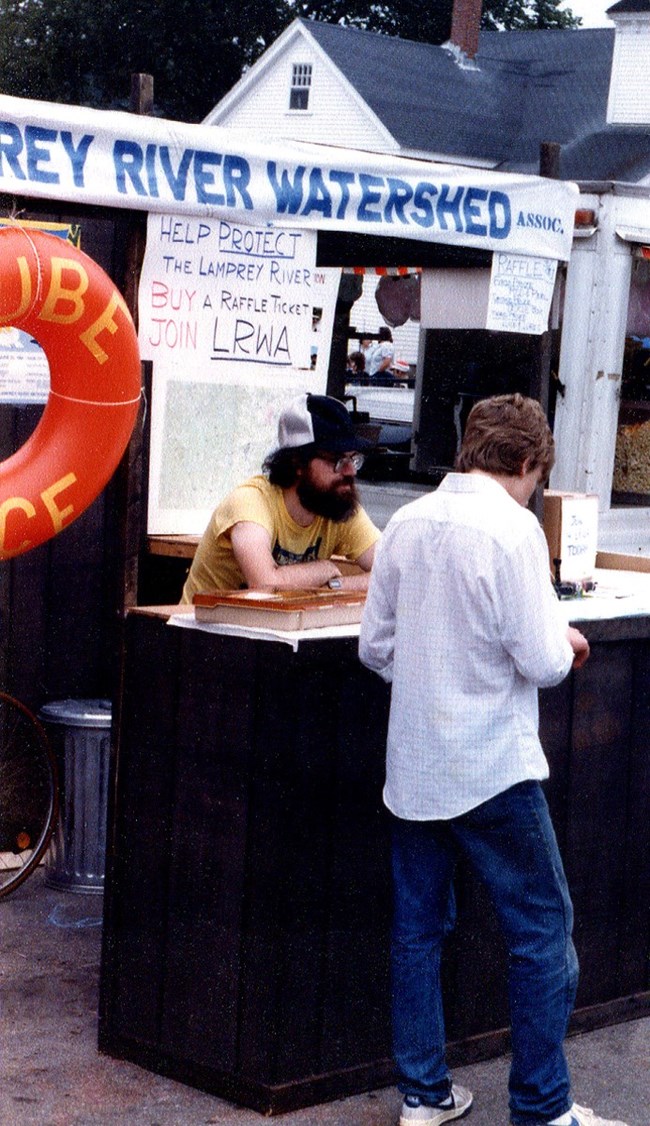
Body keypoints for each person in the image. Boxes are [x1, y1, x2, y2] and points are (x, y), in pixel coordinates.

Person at [359, 394, 628, 1126]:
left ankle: (424, 1094)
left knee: (417, 933)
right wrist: (567, 642)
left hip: (413, 766)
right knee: (542, 936)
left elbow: (374, 647)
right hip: (492, 767)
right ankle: (542, 1108)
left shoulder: (405, 524)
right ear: (524, 462)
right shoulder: (513, 531)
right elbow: (542, 661)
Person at [181, 392, 380, 602]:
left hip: (270, 629)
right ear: (297, 463)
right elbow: (264, 585)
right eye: (338, 460)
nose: (350, 471)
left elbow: (394, 572)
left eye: (353, 459)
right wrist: (324, 569)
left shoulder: (336, 502)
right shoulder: (251, 502)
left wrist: (335, 585)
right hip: (200, 630)